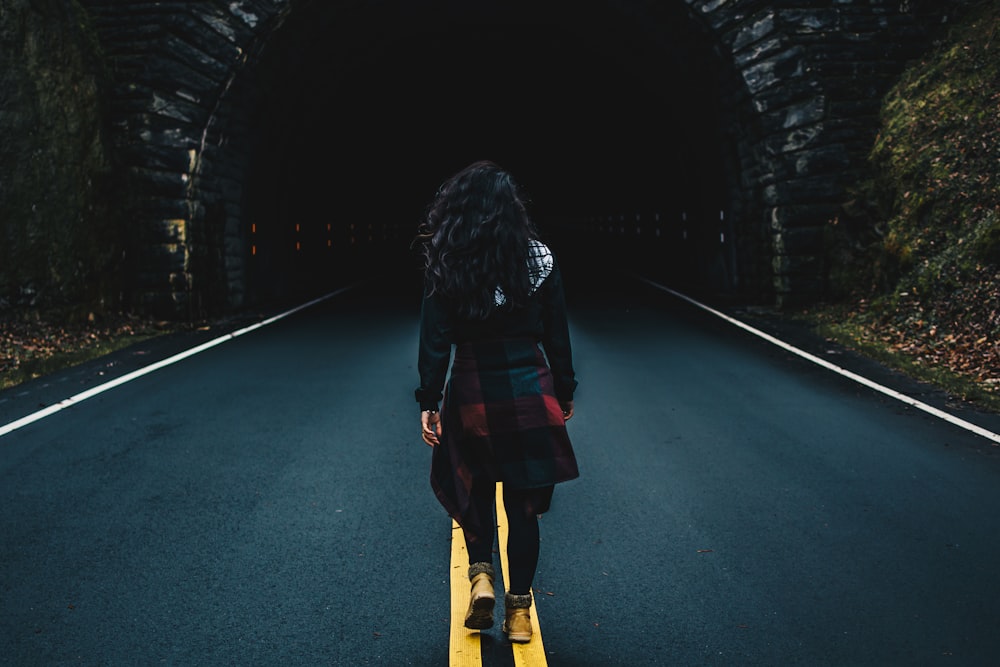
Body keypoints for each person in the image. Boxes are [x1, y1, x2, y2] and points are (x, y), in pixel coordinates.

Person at [413, 160, 580, 644]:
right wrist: (563, 390)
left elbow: (435, 338)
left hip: (471, 388)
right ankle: (520, 613)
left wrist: (430, 399)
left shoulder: (448, 258)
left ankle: (482, 575)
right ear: (512, 210)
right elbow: (557, 333)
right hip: (529, 386)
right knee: (524, 507)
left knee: (475, 489)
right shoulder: (540, 258)